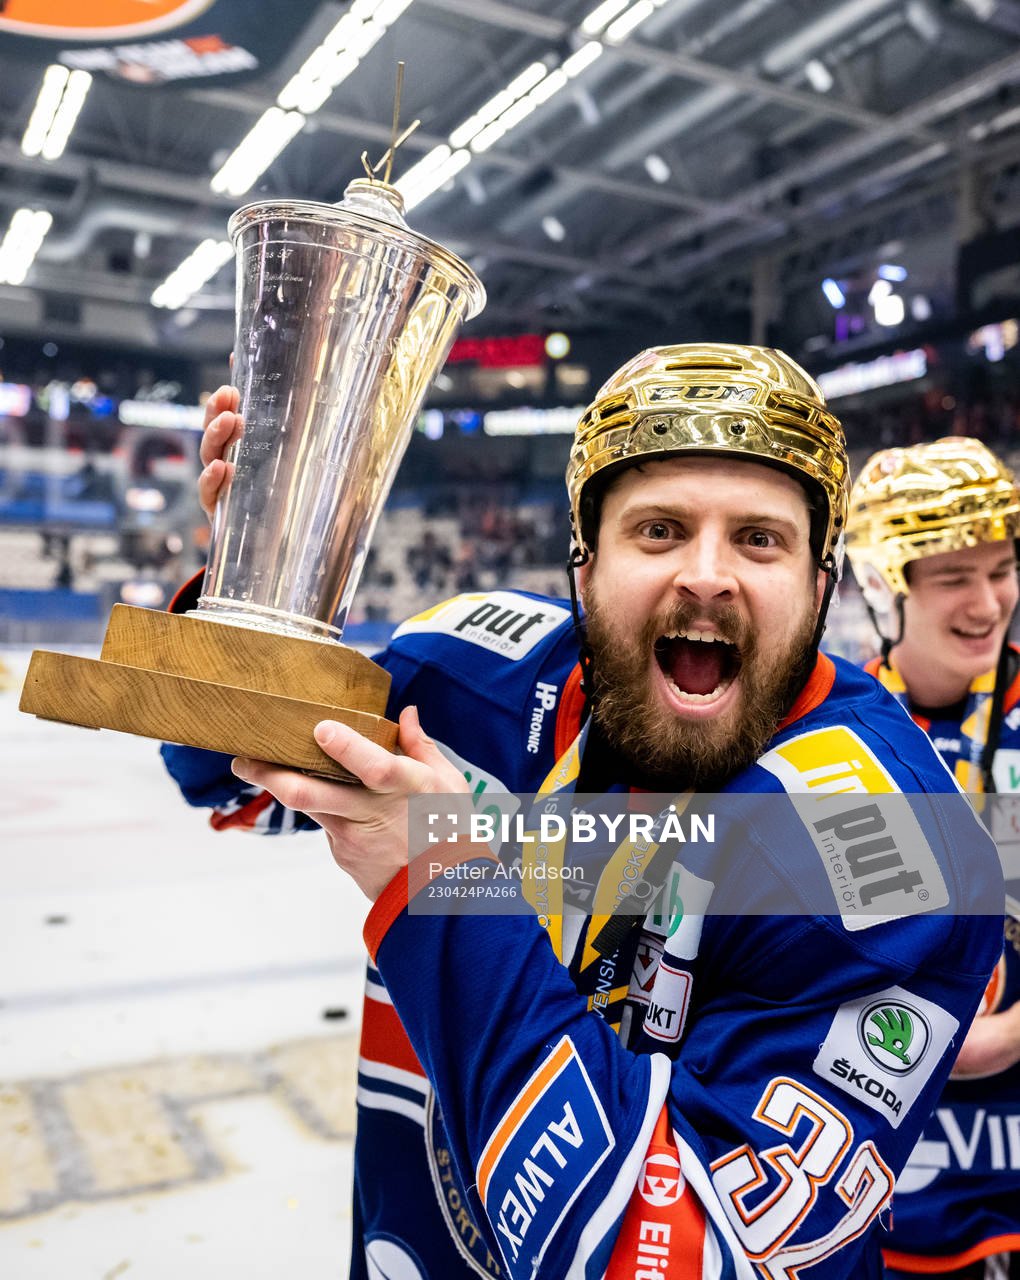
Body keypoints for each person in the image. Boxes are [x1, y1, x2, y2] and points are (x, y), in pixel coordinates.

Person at [164, 345, 1003, 1278]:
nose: (707, 576)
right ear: (583, 561)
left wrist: (443, 881)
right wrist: (257, 592)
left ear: (822, 585)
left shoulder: (896, 848)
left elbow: (668, 1261)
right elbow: (218, 770)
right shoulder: (465, 674)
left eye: (760, 539)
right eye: (658, 530)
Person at [846, 437, 1020, 1279]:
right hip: (874, 1166)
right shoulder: (829, 734)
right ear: (887, 587)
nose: (988, 603)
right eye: (955, 578)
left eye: (1002, 570)